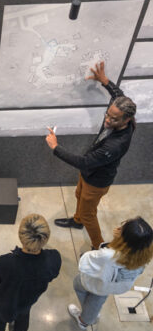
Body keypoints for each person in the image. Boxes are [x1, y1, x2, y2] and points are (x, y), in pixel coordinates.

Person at [45, 61, 136, 250]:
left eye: (114, 119)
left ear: (127, 119)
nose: (108, 120)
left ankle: (98, 247)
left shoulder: (116, 145)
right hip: (90, 174)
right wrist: (105, 81)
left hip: (97, 180)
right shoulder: (120, 109)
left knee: (89, 214)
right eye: (108, 114)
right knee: (79, 194)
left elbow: (84, 162)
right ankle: (77, 221)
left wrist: (56, 147)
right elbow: (118, 95)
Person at [0, 214, 61, 331]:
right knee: (23, 318)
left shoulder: (5, 263)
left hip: (3, 301)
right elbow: (52, 275)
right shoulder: (53, 260)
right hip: (28, 300)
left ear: (21, 237)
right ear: (45, 238)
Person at [68, 216, 153, 329]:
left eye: (123, 226)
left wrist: (86, 255)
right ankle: (91, 313)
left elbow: (85, 263)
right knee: (98, 299)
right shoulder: (143, 256)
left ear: (124, 240)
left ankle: (84, 320)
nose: (120, 227)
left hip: (97, 282)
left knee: (79, 285)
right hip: (115, 286)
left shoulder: (109, 255)